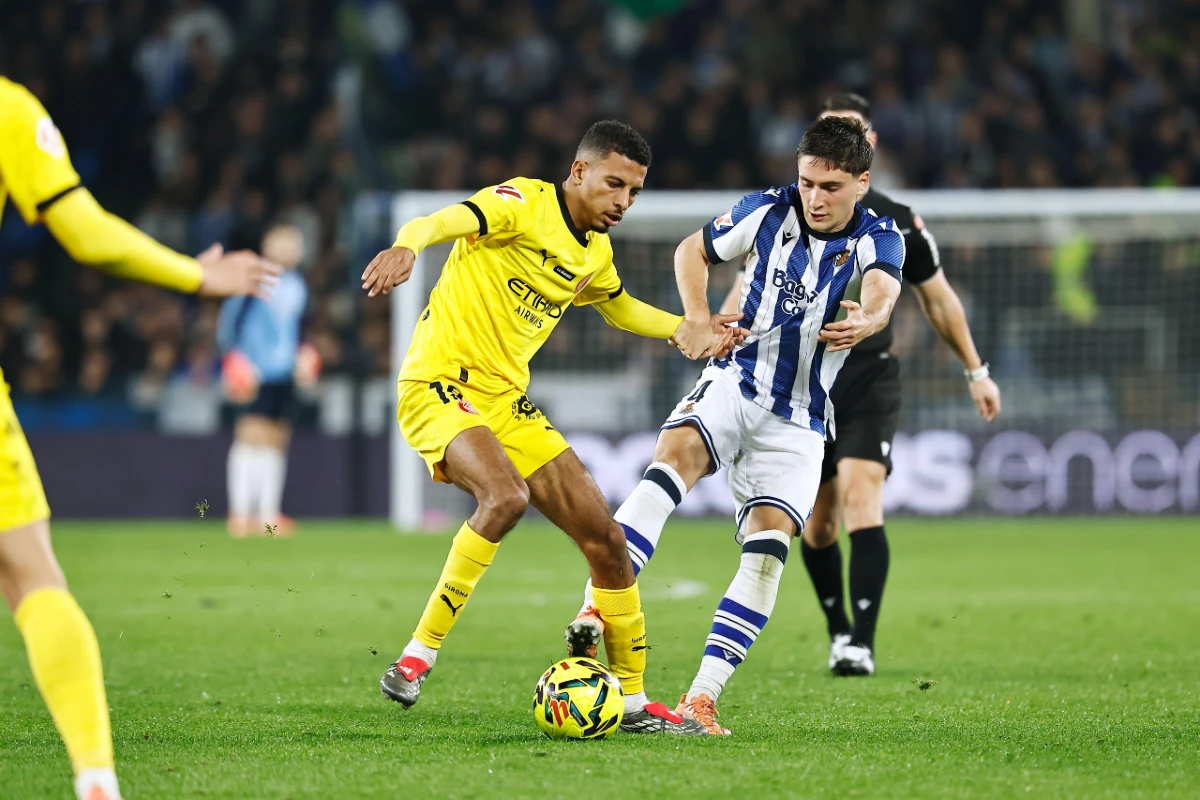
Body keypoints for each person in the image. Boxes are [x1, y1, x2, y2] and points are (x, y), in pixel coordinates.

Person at [360, 120, 745, 735]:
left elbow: (618, 306)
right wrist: (408, 245)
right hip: (439, 384)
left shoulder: (593, 252)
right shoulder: (521, 204)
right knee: (506, 495)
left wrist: (682, 327)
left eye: (634, 192)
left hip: (505, 401)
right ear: (579, 173)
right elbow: (439, 221)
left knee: (609, 545)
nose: (622, 201)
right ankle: (417, 656)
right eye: (614, 184)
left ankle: (636, 701)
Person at [567, 115, 904, 734]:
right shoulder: (767, 211)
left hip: (799, 423)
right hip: (734, 381)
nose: (815, 198)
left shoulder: (881, 235)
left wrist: (871, 320)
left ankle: (701, 700)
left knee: (769, 551)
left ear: (861, 183)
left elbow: (883, 288)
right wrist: (696, 315)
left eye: (831, 187)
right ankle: (594, 612)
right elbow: (690, 249)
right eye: (807, 182)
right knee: (665, 472)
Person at [0, 76, 278, 800]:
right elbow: (85, 232)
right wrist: (197, 275)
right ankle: (94, 775)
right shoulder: (9, 108)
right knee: (31, 579)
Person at [744, 93, 1002, 678]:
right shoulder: (788, 212)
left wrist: (976, 370)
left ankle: (861, 640)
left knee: (863, 498)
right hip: (805, 382)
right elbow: (747, 284)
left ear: (868, 151)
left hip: (867, 379)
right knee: (819, 523)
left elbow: (937, 299)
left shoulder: (897, 221)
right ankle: (839, 632)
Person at [218, 224, 321, 537]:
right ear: (268, 244)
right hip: (254, 371)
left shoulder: (298, 285)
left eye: (296, 243)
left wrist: (305, 354)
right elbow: (229, 324)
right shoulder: (255, 278)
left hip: (284, 372)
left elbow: (299, 328)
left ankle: (267, 515)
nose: (291, 248)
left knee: (277, 437)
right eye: (284, 242)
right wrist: (233, 360)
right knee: (249, 434)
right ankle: (239, 513)